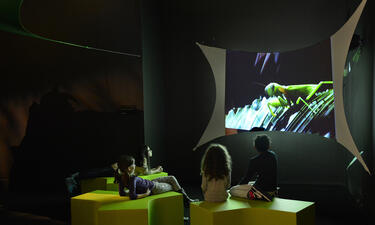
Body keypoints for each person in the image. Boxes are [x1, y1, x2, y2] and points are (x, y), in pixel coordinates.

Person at [65, 145, 162, 197]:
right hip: (117, 168)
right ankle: (74, 177)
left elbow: (145, 171)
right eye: (149, 150)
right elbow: (146, 172)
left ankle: (75, 177)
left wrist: (155, 169)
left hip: (118, 168)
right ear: (145, 152)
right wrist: (157, 169)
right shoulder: (141, 162)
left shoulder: (139, 163)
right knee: (96, 173)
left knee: (97, 172)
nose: (151, 151)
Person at [115, 154, 197, 207]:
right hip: (155, 188)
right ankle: (187, 201)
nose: (135, 165)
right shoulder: (133, 179)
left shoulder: (122, 179)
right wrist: (145, 194)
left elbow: (122, 193)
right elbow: (133, 196)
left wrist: (134, 191)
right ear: (129, 168)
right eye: (133, 164)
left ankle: (186, 200)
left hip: (152, 182)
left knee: (171, 178)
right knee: (172, 186)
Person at [230, 134, 278, 201]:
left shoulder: (254, 160)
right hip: (273, 189)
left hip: (262, 192)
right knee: (252, 183)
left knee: (232, 190)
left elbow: (246, 179)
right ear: (268, 145)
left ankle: (256, 195)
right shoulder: (273, 155)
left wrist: (237, 186)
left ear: (255, 146)